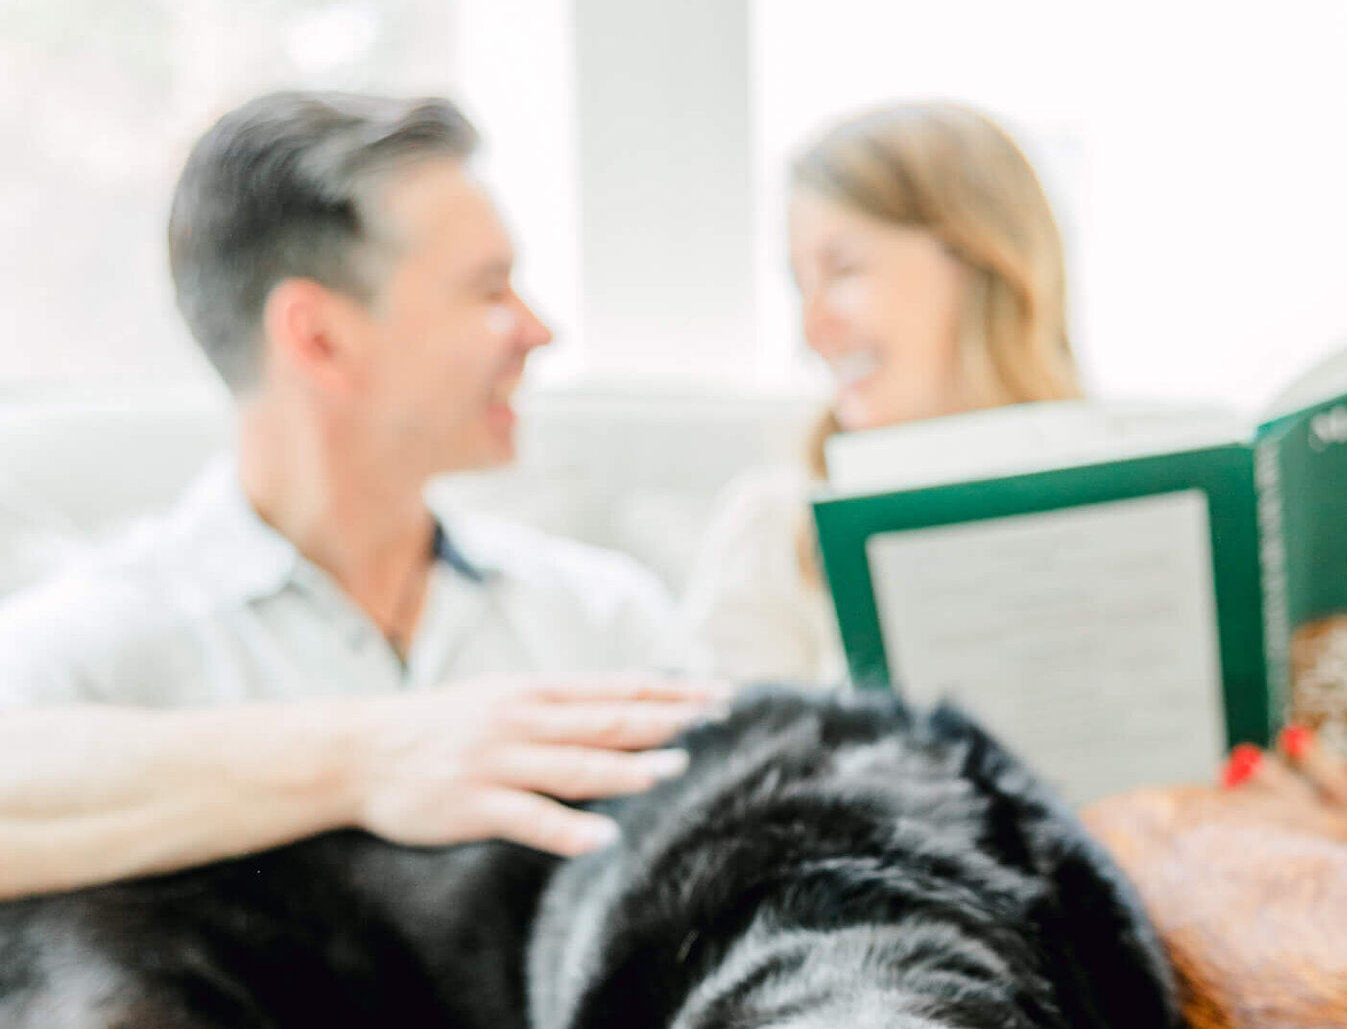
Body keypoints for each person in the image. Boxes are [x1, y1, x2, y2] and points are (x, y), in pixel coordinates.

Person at [0, 91, 719, 892]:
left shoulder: (599, 619)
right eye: (488, 290)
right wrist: (369, 756)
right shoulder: (94, 647)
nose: (536, 331)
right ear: (320, 338)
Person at [683, 101, 1081, 683]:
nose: (812, 332)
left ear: (980, 259)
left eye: (844, 272)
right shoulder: (772, 529)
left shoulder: (1141, 502)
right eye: (800, 286)